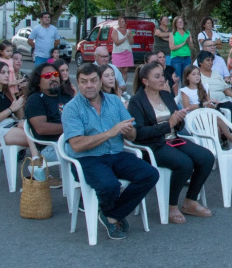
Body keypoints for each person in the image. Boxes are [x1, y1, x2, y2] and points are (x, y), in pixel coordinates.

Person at [62, 63, 160, 240]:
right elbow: (76, 145)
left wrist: (128, 130)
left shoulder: (114, 101)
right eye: (83, 82)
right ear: (77, 83)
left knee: (150, 174)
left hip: (115, 154)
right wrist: (111, 132)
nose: (89, 85)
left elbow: (132, 135)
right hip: (87, 158)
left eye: (93, 80)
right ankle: (113, 214)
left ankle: (112, 214)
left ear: (100, 82)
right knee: (110, 185)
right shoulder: (72, 108)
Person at [129, 62, 214, 224]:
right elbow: (139, 133)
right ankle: (171, 206)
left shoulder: (166, 95)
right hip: (153, 145)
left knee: (207, 157)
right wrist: (168, 124)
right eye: (158, 76)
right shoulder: (136, 101)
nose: (163, 79)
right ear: (145, 81)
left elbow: (178, 125)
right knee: (184, 163)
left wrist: (179, 119)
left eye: (162, 75)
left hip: (173, 139)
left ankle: (190, 201)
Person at [0, 62, 39, 159]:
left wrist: (23, 97)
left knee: (33, 127)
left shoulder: (8, 92)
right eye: (3, 73)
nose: (7, 75)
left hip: (11, 124)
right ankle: (37, 164)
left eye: (8, 73)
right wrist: (10, 109)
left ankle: (36, 161)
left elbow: (20, 116)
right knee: (36, 138)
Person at [181, 65, 232, 149]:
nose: (197, 76)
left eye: (198, 74)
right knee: (217, 120)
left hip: (206, 115)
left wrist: (212, 105)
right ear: (187, 77)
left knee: (217, 128)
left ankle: (216, 149)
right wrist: (203, 104)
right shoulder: (185, 91)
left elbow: (208, 104)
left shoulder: (204, 87)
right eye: (193, 74)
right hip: (194, 118)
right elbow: (187, 107)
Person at [24, 63, 73, 163]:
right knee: (88, 150)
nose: (53, 78)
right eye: (47, 76)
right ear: (38, 82)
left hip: (71, 141)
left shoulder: (65, 96)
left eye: (55, 74)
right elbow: (41, 128)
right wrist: (72, 127)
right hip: (51, 147)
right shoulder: (35, 99)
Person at [196, 51, 232, 121]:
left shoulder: (216, 73)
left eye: (211, 60)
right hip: (208, 102)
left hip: (222, 101)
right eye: (208, 60)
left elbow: (225, 89)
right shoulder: (197, 74)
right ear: (200, 62)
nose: (211, 62)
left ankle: (230, 129)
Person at [169, 16, 193, 87]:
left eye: (181, 22)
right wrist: (184, 43)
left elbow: (192, 47)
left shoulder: (187, 32)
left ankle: (184, 95)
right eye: (178, 22)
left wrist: (189, 42)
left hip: (187, 58)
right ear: (175, 24)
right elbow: (172, 47)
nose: (180, 23)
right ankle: (175, 96)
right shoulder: (172, 34)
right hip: (177, 58)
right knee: (176, 78)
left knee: (186, 78)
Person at [112, 16, 135, 85]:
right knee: (117, 71)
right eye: (119, 21)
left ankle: (123, 87)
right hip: (118, 52)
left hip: (127, 52)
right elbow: (117, 42)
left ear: (125, 23)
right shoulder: (115, 31)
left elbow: (131, 42)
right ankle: (116, 87)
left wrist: (130, 35)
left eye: (123, 21)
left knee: (125, 71)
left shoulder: (128, 31)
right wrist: (125, 37)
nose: (121, 23)